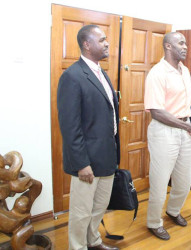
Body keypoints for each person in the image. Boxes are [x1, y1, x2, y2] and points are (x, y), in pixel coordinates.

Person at [57, 25, 120, 250]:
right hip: (87, 161)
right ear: (87, 44)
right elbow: (70, 126)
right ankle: (78, 247)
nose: (107, 43)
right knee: (81, 212)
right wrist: (82, 163)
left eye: (106, 39)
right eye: (102, 39)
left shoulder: (101, 73)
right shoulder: (72, 76)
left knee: (99, 208)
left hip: (107, 156)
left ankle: (93, 241)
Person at [144, 32, 191, 240]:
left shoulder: (185, 70)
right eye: (180, 43)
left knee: (184, 180)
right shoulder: (157, 73)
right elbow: (157, 111)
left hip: (185, 128)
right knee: (160, 182)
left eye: (185, 43)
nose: (185, 46)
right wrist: (188, 127)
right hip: (164, 130)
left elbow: (183, 106)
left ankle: (173, 211)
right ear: (168, 46)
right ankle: (153, 222)